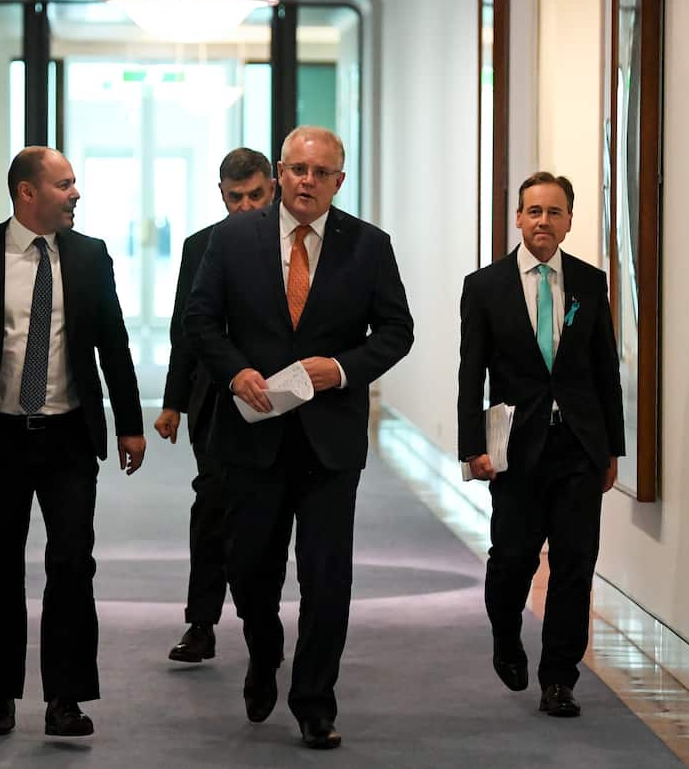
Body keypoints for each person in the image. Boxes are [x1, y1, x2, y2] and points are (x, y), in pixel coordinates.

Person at [0, 146, 147, 738]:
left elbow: (113, 341)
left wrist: (131, 422)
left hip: (67, 434)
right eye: (65, 184)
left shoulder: (90, 257)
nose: (76, 194)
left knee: (71, 564)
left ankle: (66, 698)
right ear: (26, 193)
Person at [184, 126, 413, 749]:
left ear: (339, 181)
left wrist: (339, 369)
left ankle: (315, 701)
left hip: (329, 443)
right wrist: (235, 371)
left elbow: (397, 331)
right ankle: (263, 652)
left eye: (321, 173)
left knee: (327, 576)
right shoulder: (233, 240)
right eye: (297, 170)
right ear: (280, 173)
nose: (307, 181)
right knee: (250, 569)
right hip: (251, 439)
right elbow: (198, 321)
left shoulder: (367, 246)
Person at [457, 171, 624, 718]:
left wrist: (612, 450)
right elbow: (470, 373)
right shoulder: (485, 287)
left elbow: (605, 371)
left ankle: (559, 678)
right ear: (518, 218)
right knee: (511, 561)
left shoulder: (590, 283)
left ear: (570, 221)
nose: (543, 222)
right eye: (533, 211)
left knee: (575, 564)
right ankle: (507, 637)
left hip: (579, 446)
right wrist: (470, 448)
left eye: (554, 212)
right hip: (515, 448)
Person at [154, 148, 276, 664]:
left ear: (272, 187)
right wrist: (172, 403)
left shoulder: (292, 243)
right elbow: (187, 328)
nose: (246, 207)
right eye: (235, 197)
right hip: (215, 403)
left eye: (255, 195)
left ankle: (261, 626)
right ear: (220, 194)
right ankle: (200, 623)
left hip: (278, 398)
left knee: (266, 518)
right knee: (211, 509)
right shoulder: (200, 246)